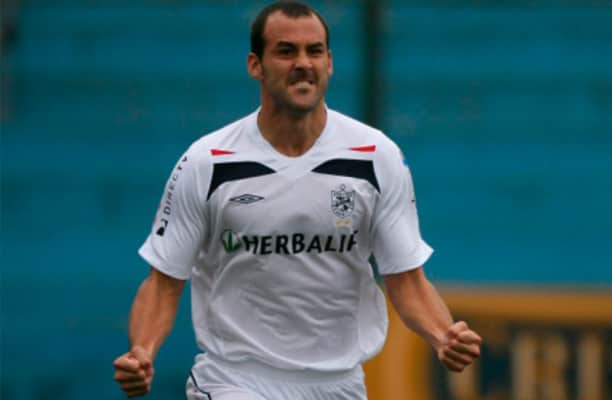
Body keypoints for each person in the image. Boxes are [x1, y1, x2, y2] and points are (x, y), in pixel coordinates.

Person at [112, 2, 482, 399]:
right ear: (255, 65)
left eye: (314, 51)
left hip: (338, 383)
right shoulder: (208, 162)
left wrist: (443, 334)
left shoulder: (376, 156)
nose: (303, 63)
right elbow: (163, 283)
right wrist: (142, 351)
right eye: (286, 51)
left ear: (330, 63)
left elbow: (406, 280)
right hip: (235, 379)